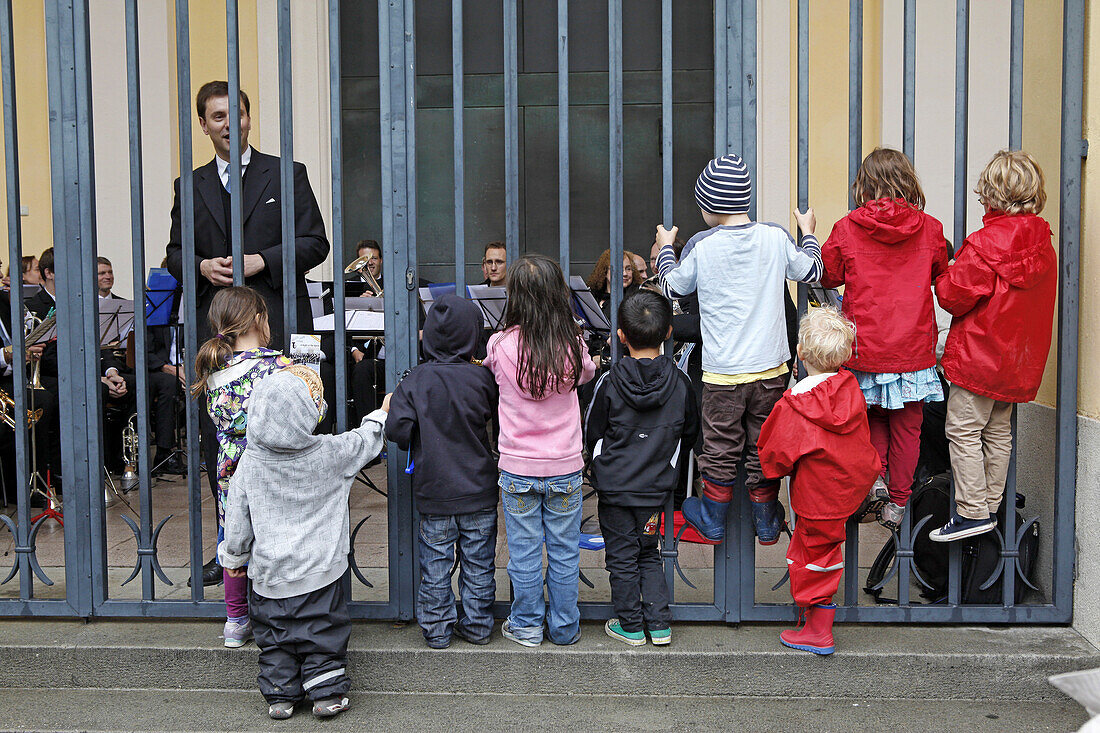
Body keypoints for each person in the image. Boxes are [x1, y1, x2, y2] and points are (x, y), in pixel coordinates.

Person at [166, 80, 329, 581]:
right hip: (218, 335)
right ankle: (230, 550)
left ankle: (290, 545)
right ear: (203, 125)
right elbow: (173, 254)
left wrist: (265, 259)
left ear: (248, 118)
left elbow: (316, 243)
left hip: (276, 325)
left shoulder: (287, 173)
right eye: (217, 117)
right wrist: (197, 267)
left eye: (235, 114)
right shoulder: (187, 185)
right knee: (224, 443)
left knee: (288, 435)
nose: (228, 125)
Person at [654, 153, 823, 544]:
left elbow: (672, 287)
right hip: (771, 371)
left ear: (710, 205)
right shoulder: (776, 236)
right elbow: (811, 271)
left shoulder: (700, 244)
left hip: (722, 373)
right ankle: (766, 519)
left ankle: (712, 515)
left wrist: (665, 246)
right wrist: (809, 232)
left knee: (720, 445)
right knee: (764, 443)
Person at [219, 366, 389, 720]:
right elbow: (364, 440)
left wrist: (234, 555)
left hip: (268, 580)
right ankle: (326, 692)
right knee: (323, 637)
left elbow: (236, 517)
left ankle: (280, 695)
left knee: (275, 641)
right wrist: (382, 414)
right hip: (320, 578)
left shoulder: (249, 463)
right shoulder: (329, 453)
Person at [820, 147, 949, 531]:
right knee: (909, 426)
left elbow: (828, 274)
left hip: (866, 345)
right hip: (912, 348)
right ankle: (898, 502)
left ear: (865, 184)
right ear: (908, 182)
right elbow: (939, 273)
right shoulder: (931, 228)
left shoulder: (848, 227)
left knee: (871, 417)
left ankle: (874, 479)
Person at [929, 150, 1056, 542]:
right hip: (1017, 362)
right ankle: (991, 505)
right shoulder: (1044, 244)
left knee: (963, 430)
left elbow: (951, 296)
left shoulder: (985, 245)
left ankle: (971, 513)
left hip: (979, 358)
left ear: (995, 195)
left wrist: (948, 269)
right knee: (999, 432)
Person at [482, 254, 597, 647]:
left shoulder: (499, 344)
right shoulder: (571, 343)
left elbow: (494, 372)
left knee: (524, 553)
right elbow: (587, 373)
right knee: (565, 553)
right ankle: (565, 627)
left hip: (517, 468)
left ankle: (528, 626)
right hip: (564, 465)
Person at [757, 307, 880, 655]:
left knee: (809, 555)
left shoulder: (796, 404)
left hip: (815, 494)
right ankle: (816, 618)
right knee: (827, 550)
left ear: (800, 353)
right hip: (847, 489)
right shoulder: (850, 388)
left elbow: (775, 454)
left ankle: (818, 628)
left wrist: (767, 468)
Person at [583, 290, 698, 646]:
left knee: (621, 556)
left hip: (615, 488)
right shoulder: (680, 383)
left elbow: (592, 431)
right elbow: (691, 432)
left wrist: (597, 464)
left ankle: (631, 625)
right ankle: (659, 625)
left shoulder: (609, 381)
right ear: (668, 332)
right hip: (654, 488)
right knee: (648, 551)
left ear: (620, 335)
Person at [385, 294, 499, 649]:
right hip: (478, 489)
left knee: (435, 567)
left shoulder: (416, 380)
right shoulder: (483, 379)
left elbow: (396, 431)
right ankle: (479, 626)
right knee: (478, 565)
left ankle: (436, 630)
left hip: (435, 492)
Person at [191, 286, 292, 647]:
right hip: (269, 467)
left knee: (234, 543)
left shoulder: (215, 367)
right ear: (259, 320)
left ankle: (235, 620)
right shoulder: (276, 365)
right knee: (272, 540)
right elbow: (309, 410)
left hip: (230, 468)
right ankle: (274, 616)